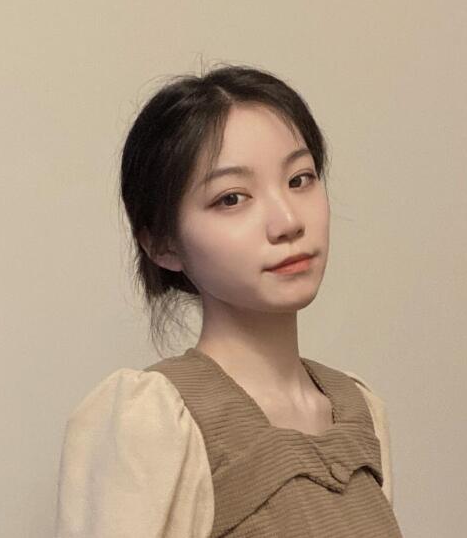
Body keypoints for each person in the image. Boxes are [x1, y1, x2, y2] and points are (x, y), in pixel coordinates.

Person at [54, 63, 403, 537]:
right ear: (162, 244)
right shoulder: (153, 421)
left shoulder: (361, 411)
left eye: (299, 179)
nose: (287, 222)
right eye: (232, 198)